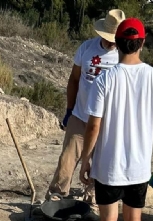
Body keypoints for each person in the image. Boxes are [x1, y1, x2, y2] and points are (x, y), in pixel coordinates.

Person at [80, 18, 153, 221]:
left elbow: (94, 126)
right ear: (142, 42)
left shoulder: (104, 79)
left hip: (108, 164)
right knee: (134, 219)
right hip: (139, 165)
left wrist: (86, 159)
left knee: (108, 219)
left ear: (116, 43)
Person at [46, 9, 124, 202]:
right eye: (109, 38)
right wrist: (69, 110)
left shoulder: (124, 56)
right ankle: (57, 196)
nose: (111, 42)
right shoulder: (87, 48)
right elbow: (74, 79)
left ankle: (92, 199)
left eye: (115, 39)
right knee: (67, 160)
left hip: (108, 123)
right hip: (80, 116)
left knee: (100, 165)